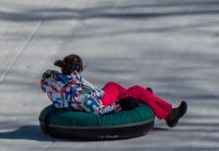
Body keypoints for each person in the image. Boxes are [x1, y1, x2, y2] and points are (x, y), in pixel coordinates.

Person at [41, 54, 186, 127]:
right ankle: (169, 115)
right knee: (137, 90)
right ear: (78, 69)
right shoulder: (78, 92)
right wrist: (121, 105)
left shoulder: (61, 79)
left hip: (98, 96)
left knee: (112, 85)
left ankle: (144, 97)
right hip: (101, 103)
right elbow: (98, 111)